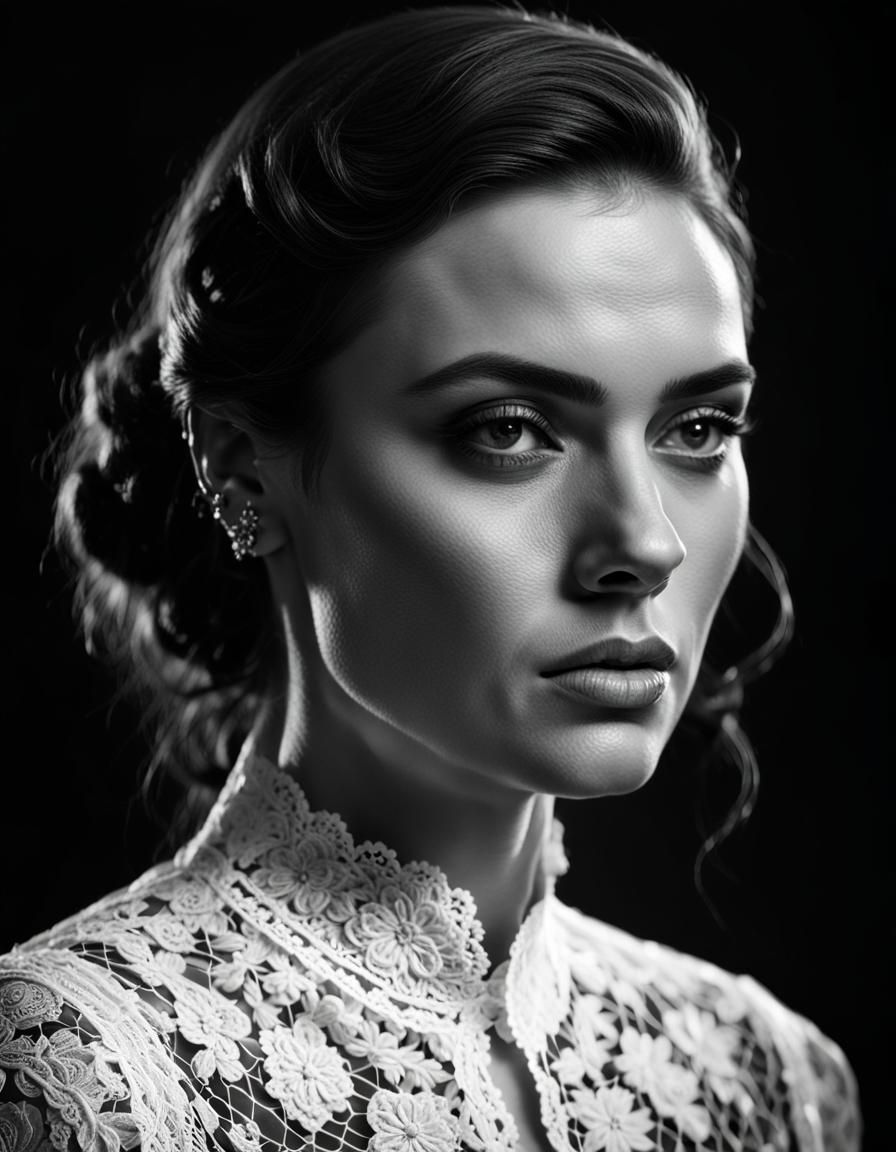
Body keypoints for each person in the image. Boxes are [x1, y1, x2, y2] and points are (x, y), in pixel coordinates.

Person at [0, 6, 860, 1150]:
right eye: (506, 429)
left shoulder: (765, 1085)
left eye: (697, 427)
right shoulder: (76, 1075)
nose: (643, 542)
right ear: (243, 465)